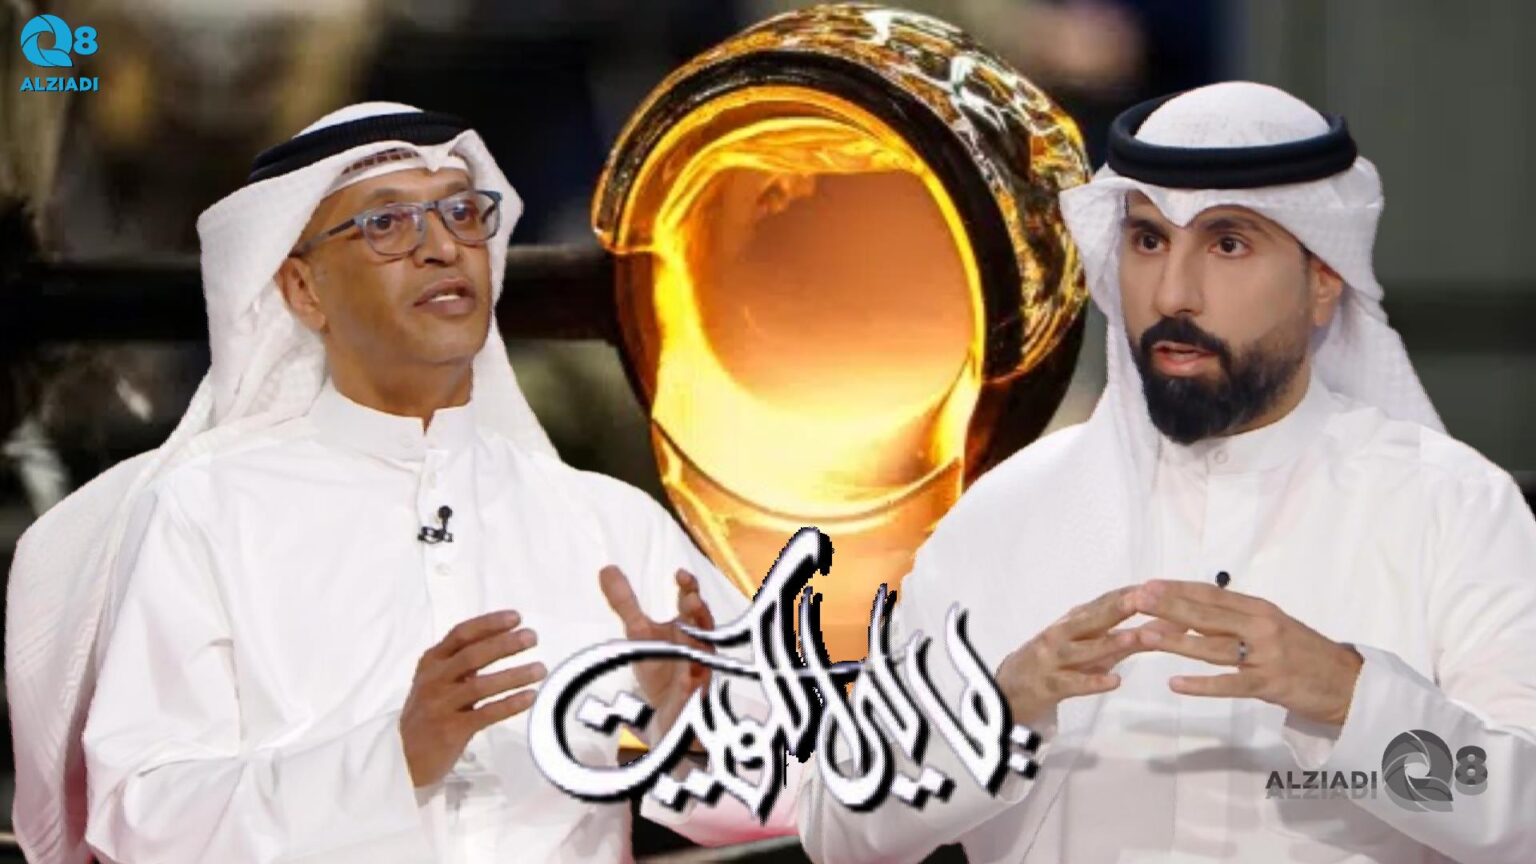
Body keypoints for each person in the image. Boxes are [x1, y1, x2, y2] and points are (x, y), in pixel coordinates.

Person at [6, 102, 784, 864]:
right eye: (386, 223)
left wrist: (672, 726)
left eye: (462, 214)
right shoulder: (207, 509)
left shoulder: (606, 522)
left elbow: (788, 799)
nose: (442, 248)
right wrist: (394, 759)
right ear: (303, 290)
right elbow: (141, 819)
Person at [797, 81, 1536, 863]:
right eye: (1148, 240)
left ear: (1323, 280)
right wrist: (998, 712)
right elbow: (835, 829)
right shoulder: (1006, 511)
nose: (1174, 294)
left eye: (1228, 244)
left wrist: (1354, 701)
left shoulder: (1451, 506)